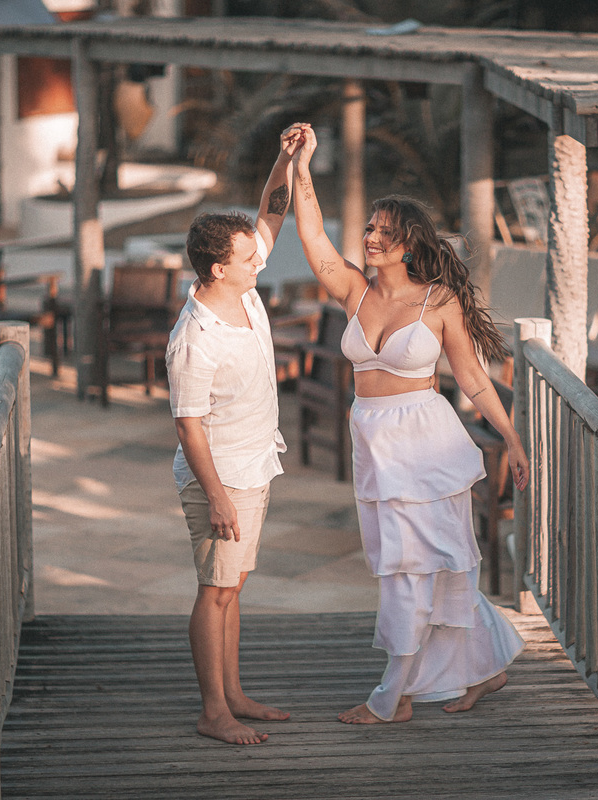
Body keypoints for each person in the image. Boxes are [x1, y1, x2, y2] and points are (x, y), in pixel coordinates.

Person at [283, 121, 531, 724]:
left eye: (385, 232)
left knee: (415, 567)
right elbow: (312, 234)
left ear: (410, 244)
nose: (372, 237)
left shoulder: (437, 301)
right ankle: (487, 668)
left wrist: (512, 438)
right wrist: (302, 165)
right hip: (374, 437)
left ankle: (391, 699)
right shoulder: (354, 291)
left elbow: (472, 379)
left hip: (426, 442)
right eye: (370, 227)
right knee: (425, 564)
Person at [166, 133, 299, 744]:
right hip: (220, 476)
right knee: (215, 590)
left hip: (254, 463)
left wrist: (288, 160)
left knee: (233, 586)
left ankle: (235, 694)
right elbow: (188, 424)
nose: (260, 263)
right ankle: (211, 712)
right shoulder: (196, 338)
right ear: (218, 268)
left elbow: (272, 209)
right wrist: (216, 495)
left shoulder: (240, 290)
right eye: (249, 259)